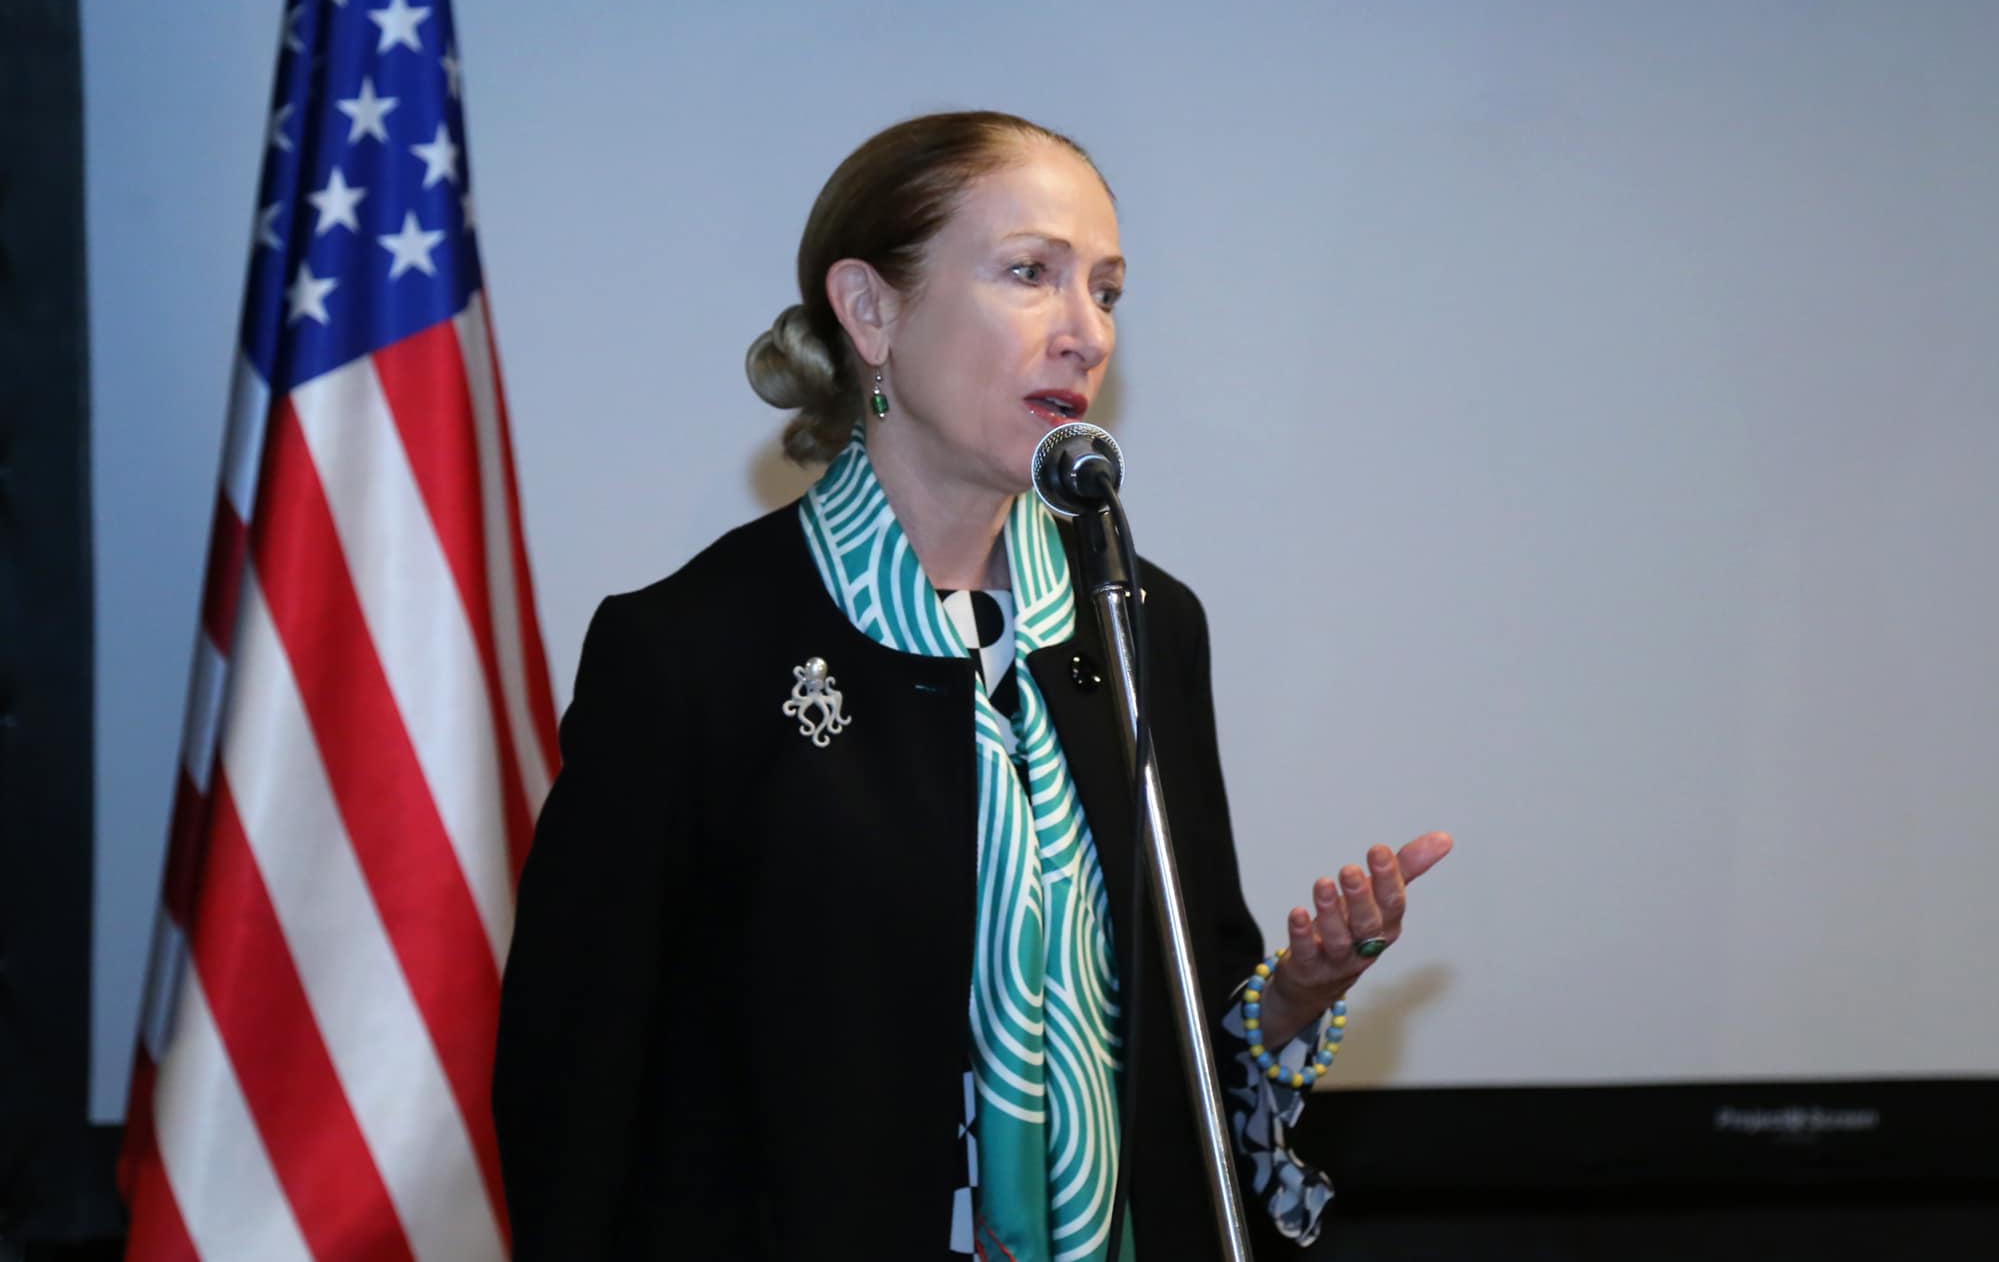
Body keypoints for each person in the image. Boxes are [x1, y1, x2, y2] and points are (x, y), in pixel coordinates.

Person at [493, 110, 1453, 1262]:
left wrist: (1294, 993)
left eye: (1105, 289)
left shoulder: (1139, 623)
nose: (1083, 333)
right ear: (870, 310)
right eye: (1028, 273)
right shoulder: (691, 649)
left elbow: (1183, 1035)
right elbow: (575, 1088)